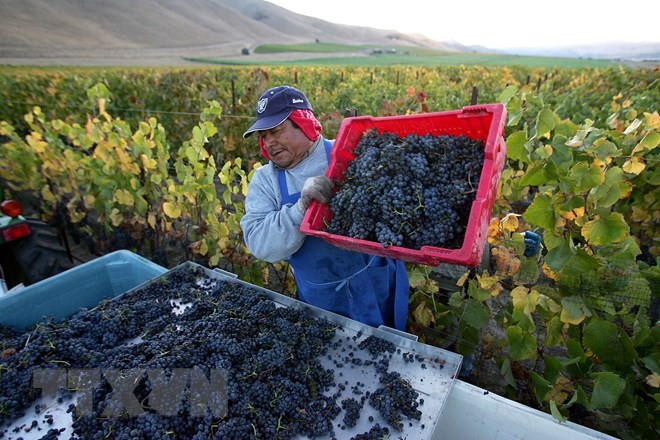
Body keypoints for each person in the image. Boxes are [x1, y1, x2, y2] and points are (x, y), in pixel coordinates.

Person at [240, 85, 410, 331]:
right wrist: (300, 209)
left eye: (276, 131)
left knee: (387, 351)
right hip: (321, 299)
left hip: (375, 282)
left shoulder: (348, 154)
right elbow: (259, 243)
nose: (270, 143)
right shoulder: (265, 181)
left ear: (304, 122)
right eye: (264, 136)